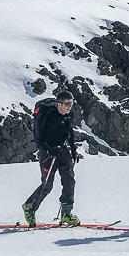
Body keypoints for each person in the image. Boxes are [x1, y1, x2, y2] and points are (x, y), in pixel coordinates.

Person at [22, 89, 80, 227]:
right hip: (47, 152)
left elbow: (69, 132)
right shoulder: (48, 114)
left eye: (71, 104)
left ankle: (66, 213)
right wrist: (49, 149)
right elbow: (39, 138)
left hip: (62, 149)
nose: (69, 107)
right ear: (59, 104)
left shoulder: (68, 114)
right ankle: (29, 207)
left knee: (69, 181)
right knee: (47, 184)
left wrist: (73, 150)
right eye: (66, 104)